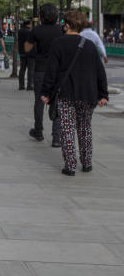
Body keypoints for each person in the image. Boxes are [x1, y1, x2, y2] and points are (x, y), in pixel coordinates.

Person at [41, 10, 109, 176]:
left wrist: (46, 92)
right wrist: (103, 94)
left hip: (66, 93)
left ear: (67, 25)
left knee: (67, 128)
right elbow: (100, 72)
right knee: (85, 127)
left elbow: (51, 71)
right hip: (88, 94)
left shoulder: (58, 43)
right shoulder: (90, 45)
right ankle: (87, 162)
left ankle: (70, 165)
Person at [26, 3, 65, 146]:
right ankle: (56, 137)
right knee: (57, 102)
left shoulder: (36, 30)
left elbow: (27, 48)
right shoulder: (61, 30)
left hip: (41, 69)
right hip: (57, 72)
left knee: (39, 101)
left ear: (41, 16)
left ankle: (38, 130)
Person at [17, 19, 34, 90]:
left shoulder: (20, 31)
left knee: (22, 69)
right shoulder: (30, 32)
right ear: (29, 24)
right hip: (29, 52)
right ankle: (29, 85)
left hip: (22, 52)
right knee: (30, 69)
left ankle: (21, 85)